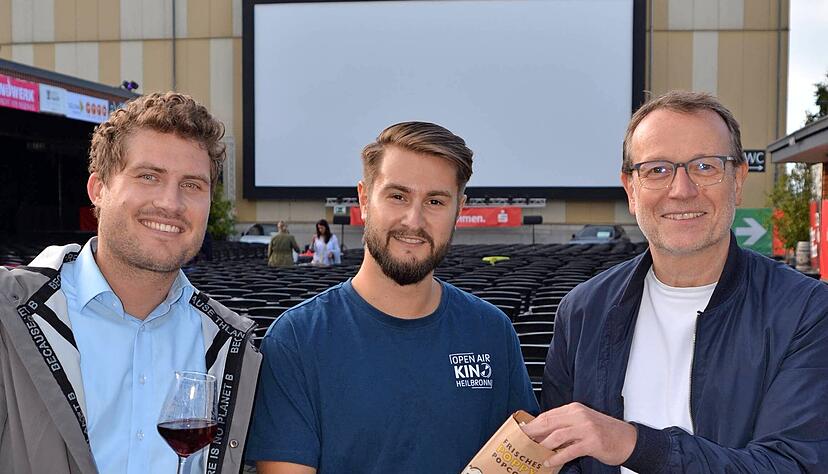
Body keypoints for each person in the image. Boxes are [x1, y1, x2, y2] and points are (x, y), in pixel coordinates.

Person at [522, 90, 828, 472]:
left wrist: (634, 444)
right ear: (631, 190)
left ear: (737, 180)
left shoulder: (807, 311)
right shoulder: (584, 310)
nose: (681, 191)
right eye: (657, 170)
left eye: (705, 167)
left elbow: (796, 465)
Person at [247, 122, 538, 473]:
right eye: (398, 196)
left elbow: (524, 463)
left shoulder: (492, 332)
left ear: (459, 210)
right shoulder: (297, 340)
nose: (414, 221)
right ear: (364, 199)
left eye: (435, 201)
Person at [0, 92, 262, 474]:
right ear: (98, 190)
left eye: (191, 185)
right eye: (149, 176)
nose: (171, 203)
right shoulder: (10, 318)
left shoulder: (233, 347)